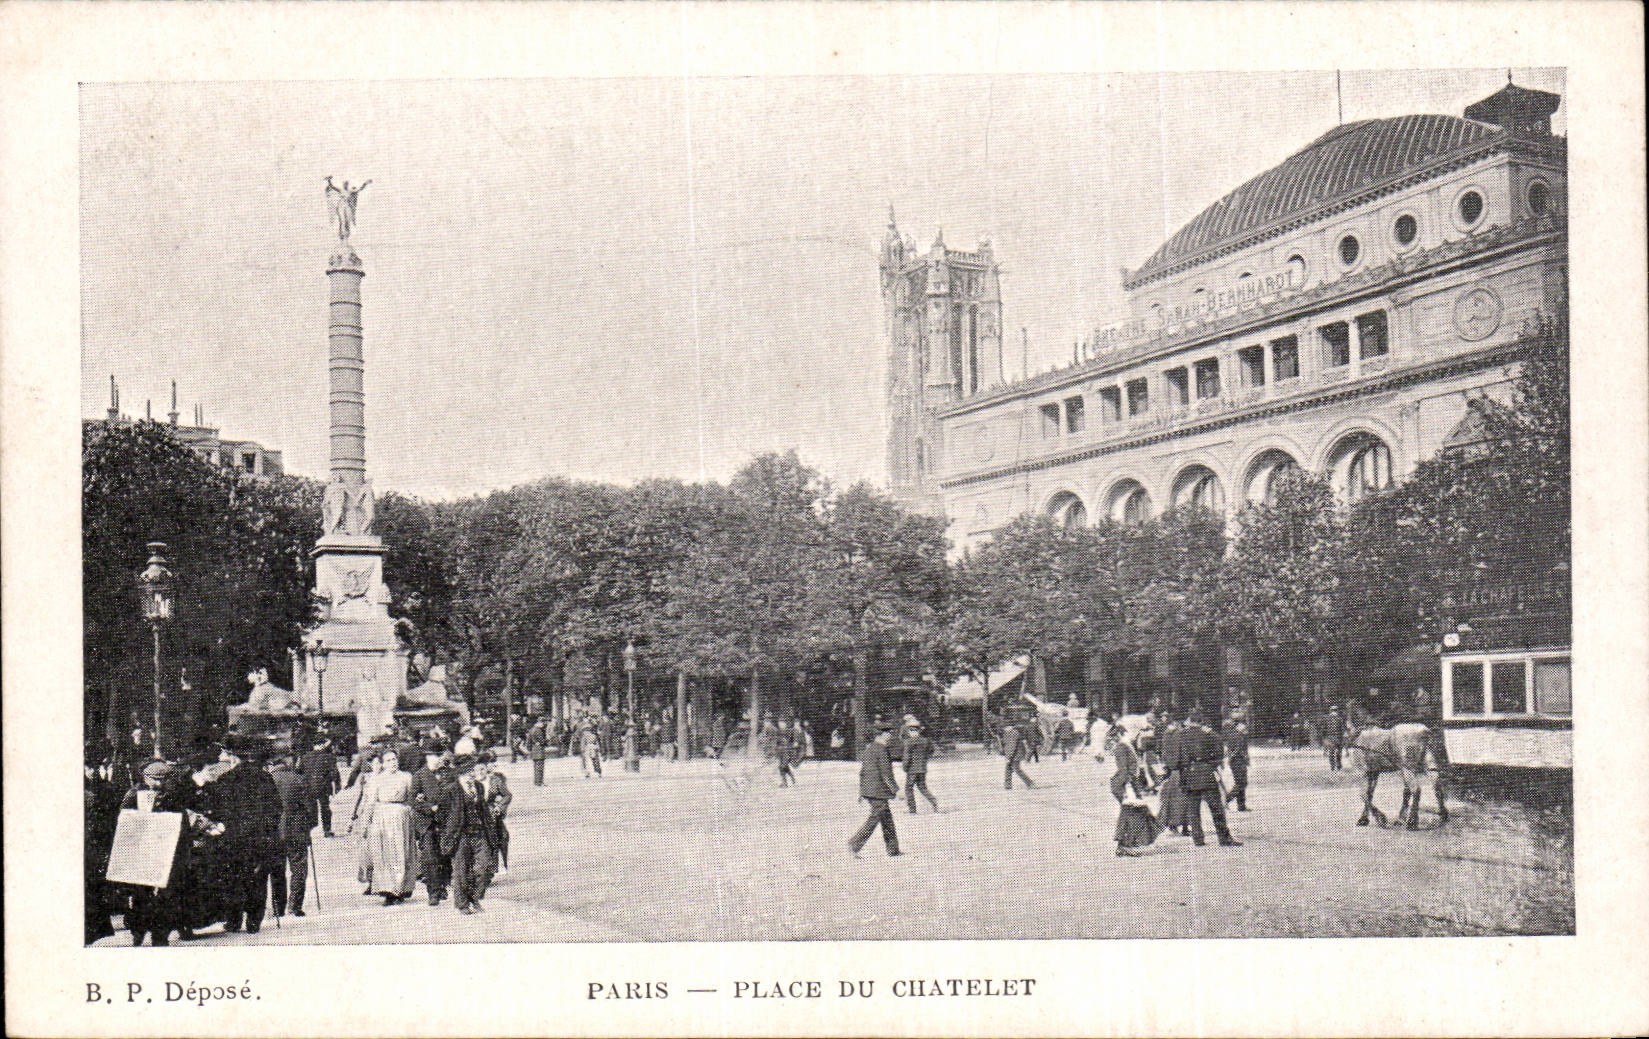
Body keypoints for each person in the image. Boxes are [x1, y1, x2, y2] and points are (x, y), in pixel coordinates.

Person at [204, 737, 284, 934]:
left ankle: (234, 920)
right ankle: (254, 921)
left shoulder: (225, 780)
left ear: (232, 756)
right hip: (260, 837)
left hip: (233, 839)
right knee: (258, 879)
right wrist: (268, 829)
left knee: (234, 878)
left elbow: (216, 811)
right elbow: (276, 808)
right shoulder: (264, 777)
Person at [1165, 709, 1240, 847]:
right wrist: (1212, 764)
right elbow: (1220, 750)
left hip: (1188, 774)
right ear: (1201, 721)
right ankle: (1224, 838)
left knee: (1193, 809)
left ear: (1189, 720)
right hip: (1206, 772)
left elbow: (1173, 758)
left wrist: (1181, 768)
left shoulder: (1179, 735)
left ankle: (1198, 839)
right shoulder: (1208, 734)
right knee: (1216, 807)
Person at [361, 747, 418, 905]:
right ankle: (388, 890)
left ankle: (401, 888)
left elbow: (411, 798)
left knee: (401, 853)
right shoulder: (377, 779)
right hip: (382, 819)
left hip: (401, 818)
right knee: (385, 855)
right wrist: (365, 824)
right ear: (383, 764)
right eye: (388, 760)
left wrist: (411, 813)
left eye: (394, 759)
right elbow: (371, 803)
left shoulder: (406, 777)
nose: (392, 763)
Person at [444, 754, 497, 914]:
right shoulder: (451, 790)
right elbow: (443, 815)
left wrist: (490, 830)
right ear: (460, 773)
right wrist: (449, 834)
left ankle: (474, 897)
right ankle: (463, 904)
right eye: (469, 772)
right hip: (461, 834)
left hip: (479, 832)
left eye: (473, 771)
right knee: (461, 870)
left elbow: (483, 810)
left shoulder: (479, 787)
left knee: (484, 867)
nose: (473, 775)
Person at [267, 752, 315, 918]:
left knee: (277, 869)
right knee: (299, 867)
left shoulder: (267, 781)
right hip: (297, 830)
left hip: (274, 832)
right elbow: (310, 808)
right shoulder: (299, 779)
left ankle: (278, 907)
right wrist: (309, 826)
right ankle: (294, 905)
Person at [409, 743, 455, 906]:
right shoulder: (419, 776)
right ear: (428, 757)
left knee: (445, 855)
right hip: (426, 824)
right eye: (436, 756)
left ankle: (442, 885)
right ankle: (433, 892)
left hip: (445, 821)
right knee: (429, 857)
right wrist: (429, 807)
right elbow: (412, 800)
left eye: (440, 755)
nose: (439, 759)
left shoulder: (448, 773)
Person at [848, 722, 902, 858]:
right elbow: (886, 773)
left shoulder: (869, 749)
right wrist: (896, 790)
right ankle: (854, 843)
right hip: (878, 790)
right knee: (875, 817)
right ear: (880, 734)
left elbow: (862, 772)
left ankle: (893, 849)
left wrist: (862, 791)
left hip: (870, 789)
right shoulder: (882, 749)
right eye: (888, 732)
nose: (890, 735)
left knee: (887, 818)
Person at [1110, 728, 1162, 857]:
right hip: (1126, 785)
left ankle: (1126, 845)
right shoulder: (1122, 747)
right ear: (1123, 733)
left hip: (1130, 784)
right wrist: (1128, 787)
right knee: (1132, 814)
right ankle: (1125, 846)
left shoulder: (1127, 745)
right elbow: (1123, 769)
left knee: (1133, 814)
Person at [298, 734, 340, 838]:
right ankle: (327, 830)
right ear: (322, 744)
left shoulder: (305, 757)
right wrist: (336, 786)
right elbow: (335, 774)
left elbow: (298, 772)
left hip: (308, 787)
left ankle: (308, 830)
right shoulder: (329, 757)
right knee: (325, 808)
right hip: (323, 787)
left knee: (310, 809)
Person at [479, 751, 512, 874]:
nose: (493, 765)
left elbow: (507, 795)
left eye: (493, 762)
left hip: (492, 813)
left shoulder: (496, 779)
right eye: (490, 763)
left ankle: (502, 863)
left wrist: (499, 807)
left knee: (502, 836)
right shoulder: (472, 780)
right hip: (478, 814)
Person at [901, 720, 939, 813]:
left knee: (908, 788)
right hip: (922, 768)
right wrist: (925, 758)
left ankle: (912, 809)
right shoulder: (926, 741)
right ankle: (933, 800)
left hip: (912, 770)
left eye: (912, 731)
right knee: (922, 787)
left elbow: (907, 757)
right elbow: (932, 750)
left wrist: (905, 767)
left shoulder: (908, 742)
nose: (911, 733)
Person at [1223, 717, 1251, 811]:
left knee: (1240, 783)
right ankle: (1227, 799)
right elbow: (1238, 750)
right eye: (1244, 725)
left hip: (1235, 762)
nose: (1245, 727)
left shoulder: (1235, 734)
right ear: (1239, 725)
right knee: (1241, 783)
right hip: (1238, 761)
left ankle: (1241, 806)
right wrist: (1246, 759)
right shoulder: (1238, 735)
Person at [1002, 722, 1036, 790]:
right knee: (1008, 769)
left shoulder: (1013, 734)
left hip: (1016, 755)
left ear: (1010, 727)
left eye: (1006, 727)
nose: (1004, 729)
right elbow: (1006, 745)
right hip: (1013, 754)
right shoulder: (1008, 733)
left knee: (1016, 769)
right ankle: (1008, 785)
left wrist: (1009, 757)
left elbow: (1012, 746)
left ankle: (1030, 783)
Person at [526, 720, 549, 787]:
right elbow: (542, 741)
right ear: (539, 723)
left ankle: (536, 782)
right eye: (543, 723)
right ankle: (540, 782)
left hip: (534, 750)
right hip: (539, 751)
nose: (543, 725)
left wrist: (530, 749)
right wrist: (547, 740)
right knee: (540, 768)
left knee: (536, 767)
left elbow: (528, 741)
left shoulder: (531, 730)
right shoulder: (538, 731)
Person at [1324, 706, 1346, 771]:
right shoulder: (1340, 718)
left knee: (1331, 752)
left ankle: (1332, 766)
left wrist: (1325, 737)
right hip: (1338, 738)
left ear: (1330, 710)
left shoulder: (1327, 719)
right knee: (1338, 752)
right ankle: (1338, 765)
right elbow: (1342, 729)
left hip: (1330, 738)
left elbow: (1324, 728)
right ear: (1337, 710)